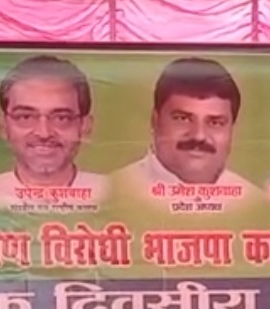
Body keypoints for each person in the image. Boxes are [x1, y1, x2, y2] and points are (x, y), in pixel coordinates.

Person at [111, 57, 259, 211]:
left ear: (231, 129)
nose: (199, 136)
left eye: (215, 123)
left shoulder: (255, 203)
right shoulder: (112, 192)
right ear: (155, 121)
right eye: (183, 119)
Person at [0, 55, 105, 212]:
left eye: (61, 118)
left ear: (85, 126)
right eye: (26, 117)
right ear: (3, 125)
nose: (44, 133)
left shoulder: (114, 194)